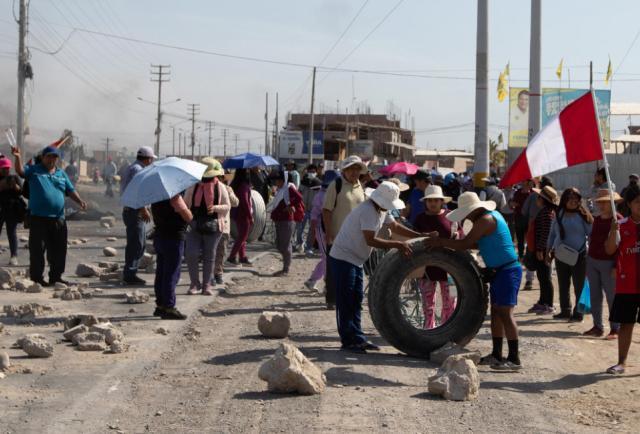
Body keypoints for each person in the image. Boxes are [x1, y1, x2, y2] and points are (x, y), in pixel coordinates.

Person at [425, 191, 523, 370]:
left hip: (507, 270)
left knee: (505, 313)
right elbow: (476, 244)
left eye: (466, 212)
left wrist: (441, 242)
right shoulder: (488, 218)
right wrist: (449, 241)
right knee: (496, 313)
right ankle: (497, 354)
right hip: (500, 270)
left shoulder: (485, 220)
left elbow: (465, 244)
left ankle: (514, 358)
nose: (467, 216)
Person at [329, 181, 423, 353]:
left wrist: (420, 236)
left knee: (356, 299)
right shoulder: (368, 211)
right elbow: (370, 240)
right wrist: (398, 245)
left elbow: (394, 226)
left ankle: (357, 337)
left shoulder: (381, 209)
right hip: (343, 258)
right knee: (346, 299)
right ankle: (348, 340)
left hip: (356, 259)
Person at [12, 146, 87, 286]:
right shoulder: (34, 170)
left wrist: (80, 201)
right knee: (37, 250)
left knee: (59, 249)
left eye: (54, 157)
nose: (51, 159)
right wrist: (17, 157)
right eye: (49, 156)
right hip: (38, 218)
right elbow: (20, 171)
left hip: (58, 218)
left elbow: (70, 190)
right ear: (43, 157)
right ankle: (37, 278)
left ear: (57, 159)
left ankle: (56, 277)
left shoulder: (61, 174)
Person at [322, 155, 367, 309]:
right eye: (351, 169)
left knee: (355, 269)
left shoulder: (360, 186)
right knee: (334, 270)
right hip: (337, 235)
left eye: (357, 169)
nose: (354, 172)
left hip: (356, 237)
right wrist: (329, 232)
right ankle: (332, 299)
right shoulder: (336, 185)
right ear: (345, 170)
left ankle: (353, 300)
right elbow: (327, 210)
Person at [604, 183, 640, 374]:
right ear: (629, 204)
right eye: (637, 202)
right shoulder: (621, 225)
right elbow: (610, 249)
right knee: (626, 324)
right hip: (627, 286)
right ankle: (622, 363)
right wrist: (612, 231)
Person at [413, 185, 461, 329]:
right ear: (425, 203)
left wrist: (457, 235)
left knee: (451, 302)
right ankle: (429, 331)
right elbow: (414, 238)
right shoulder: (420, 218)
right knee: (428, 305)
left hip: (450, 269)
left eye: (436, 200)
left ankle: (447, 331)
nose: (432, 203)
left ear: (441, 201)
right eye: (429, 201)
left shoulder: (452, 216)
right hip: (426, 268)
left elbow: (460, 234)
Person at [184, 158, 230, 295]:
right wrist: (190, 219)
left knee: (209, 256)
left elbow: (227, 206)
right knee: (191, 254)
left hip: (214, 226)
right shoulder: (193, 186)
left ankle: (207, 285)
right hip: (195, 225)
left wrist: (215, 208)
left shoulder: (220, 187)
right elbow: (186, 205)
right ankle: (194, 284)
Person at [547, 187, 593, 322]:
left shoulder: (584, 215)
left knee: (579, 285)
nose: (573, 201)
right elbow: (552, 234)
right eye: (570, 198)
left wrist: (591, 254)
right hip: (561, 255)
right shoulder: (558, 214)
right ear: (564, 200)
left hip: (580, 256)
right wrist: (547, 250)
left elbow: (591, 235)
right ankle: (565, 310)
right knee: (563, 284)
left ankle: (578, 313)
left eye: (576, 199)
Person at [585, 189, 622, 339]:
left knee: (612, 297)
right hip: (593, 261)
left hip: (609, 263)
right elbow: (593, 240)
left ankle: (615, 328)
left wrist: (616, 266)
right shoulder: (598, 219)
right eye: (600, 202)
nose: (601, 205)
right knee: (595, 296)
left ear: (612, 203)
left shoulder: (618, 220)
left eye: (604, 202)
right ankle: (597, 326)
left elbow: (621, 246)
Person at [151, 192, 192, 320]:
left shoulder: (155, 197)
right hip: (173, 238)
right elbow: (188, 217)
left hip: (160, 236)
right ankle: (169, 307)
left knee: (161, 272)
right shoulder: (175, 197)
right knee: (171, 274)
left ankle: (161, 305)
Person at [120, 146, 156, 285]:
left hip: (133, 211)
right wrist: (143, 209)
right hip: (135, 211)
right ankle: (130, 274)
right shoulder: (137, 170)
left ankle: (130, 272)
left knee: (138, 243)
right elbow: (136, 191)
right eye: (151, 159)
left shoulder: (133, 167)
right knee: (136, 244)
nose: (152, 162)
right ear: (148, 159)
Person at [526, 186, 558, 315]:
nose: (536, 199)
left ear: (543, 199)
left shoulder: (547, 213)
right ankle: (542, 302)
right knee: (541, 276)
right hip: (541, 248)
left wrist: (540, 250)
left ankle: (548, 305)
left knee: (545, 277)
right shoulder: (545, 211)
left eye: (539, 197)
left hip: (543, 250)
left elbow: (546, 233)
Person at [305, 170, 338, 291]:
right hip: (322, 230)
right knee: (327, 258)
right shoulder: (321, 195)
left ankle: (312, 281)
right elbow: (314, 216)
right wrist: (313, 234)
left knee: (327, 258)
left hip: (330, 230)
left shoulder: (332, 194)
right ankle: (327, 283)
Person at [268, 170, 303, 277]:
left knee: (286, 245)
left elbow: (299, 197)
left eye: (278, 180)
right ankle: (285, 266)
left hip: (287, 221)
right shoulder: (282, 190)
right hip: (280, 221)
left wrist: (290, 205)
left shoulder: (289, 188)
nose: (276, 183)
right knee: (280, 245)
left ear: (284, 180)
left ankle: (285, 269)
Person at [213, 172, 239, 285]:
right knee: (210, 252)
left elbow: (235, 203)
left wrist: (229, 193)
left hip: (224, 225)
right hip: (211, 226)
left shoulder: (227, 189)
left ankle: (218, 273)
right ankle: (210, 276)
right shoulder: (206, 188)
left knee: (221, 251)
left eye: (220, 178)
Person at [0, 157, 23, 265]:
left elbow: (22, 192)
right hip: (1, 209)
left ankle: (14, 256)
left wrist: (16, 187)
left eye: (7, 168)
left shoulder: (14, 178)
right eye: (3, 168)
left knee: (11, 233)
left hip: (11, 209)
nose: (6, 170)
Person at [228, 168, 253, 265]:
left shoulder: (237, 184)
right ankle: (231, 257)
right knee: (242, 237)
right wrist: (250, 216)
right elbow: (245, 202)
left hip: (238, 214)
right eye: (247, 172)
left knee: (242, 236)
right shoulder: (244, 186)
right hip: (244, 215)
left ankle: (242, 257)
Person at [295, 164, 319, 253]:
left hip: (313, 210)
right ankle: (299, 243)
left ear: (316, 173)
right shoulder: (303, 182)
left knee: (311, 230)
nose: (311, 173)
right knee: (299, 229)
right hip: (303, 209)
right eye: (309, 172)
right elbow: (298, 193)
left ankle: (309, 247)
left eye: (313, 172)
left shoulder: (318, 183)